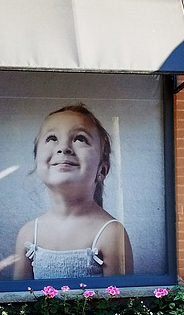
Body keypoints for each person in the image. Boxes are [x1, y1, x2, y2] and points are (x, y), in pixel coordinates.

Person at [13, 104, 133, 280]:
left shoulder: (111, 234)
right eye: (52, 138)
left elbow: (120, 304)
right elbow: (18, 303)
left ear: (102, 170)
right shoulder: (29, 234)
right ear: (37, 161)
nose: (64, 148)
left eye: (80, 139)